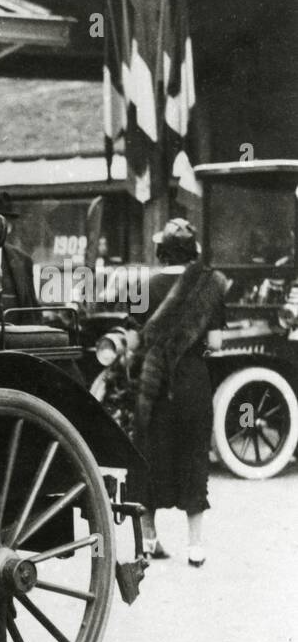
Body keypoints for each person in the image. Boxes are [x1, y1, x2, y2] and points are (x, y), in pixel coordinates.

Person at [127, 218, 227, 567]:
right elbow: (214, 343)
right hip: (193, 383)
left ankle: (150, 539)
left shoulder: (144, 284)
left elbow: (134, 339)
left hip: (153, 384)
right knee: (195, 455)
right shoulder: (210, 285)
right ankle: (194, 546)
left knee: (149, 455)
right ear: (193, 252)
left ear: (161, 250)